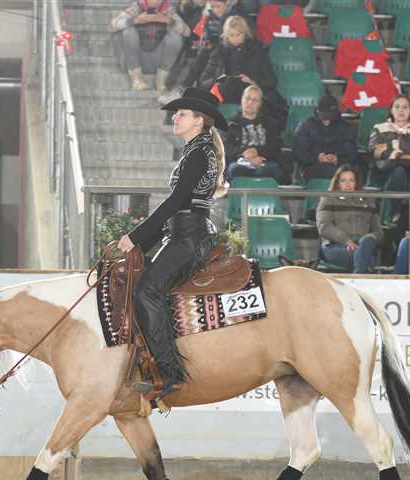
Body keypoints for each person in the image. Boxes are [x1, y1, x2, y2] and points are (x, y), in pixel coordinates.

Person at [117, 88, 227, 398]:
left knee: (147, 291)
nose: (175, 117)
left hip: (190, 236)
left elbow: (176, 201)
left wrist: (136, 237)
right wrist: (141, 244)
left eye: (182, 113)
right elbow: (177, 207)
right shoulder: (197, 150)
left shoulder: (199, 152)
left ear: (199, 120)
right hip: (183, 233)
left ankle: (169, 373)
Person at [160, 0, 245, 103]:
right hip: (214, 48)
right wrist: (203, 43)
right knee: (198, 52)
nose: (215, 10)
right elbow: (209, 36)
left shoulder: (234, 16)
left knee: (204, 55)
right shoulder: (210, 16)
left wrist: (211, 44)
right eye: (213, 7)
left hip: (229, 50)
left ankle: (184, 88)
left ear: (226, 3)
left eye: (218, 6)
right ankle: (180, 88)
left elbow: (232, 37)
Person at [368, 95, 410, 216]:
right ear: (391, 110)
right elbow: (376, 152)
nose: (401, 111)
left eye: (405, 107)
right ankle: (396, 214)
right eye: (397, 107)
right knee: (398, 172)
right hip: (385, 168)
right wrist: (399, 153)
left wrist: (392, 150)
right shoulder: (379, 128)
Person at [111, 0, 191, 93]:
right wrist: (136, 20)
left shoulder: (168, 10)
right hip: (136, 60)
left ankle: (161, 80)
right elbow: (113, 25)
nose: (154, 2)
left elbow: (187, 32)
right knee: (128, 32)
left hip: (158, 61)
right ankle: (137, 79)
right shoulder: (136, 8)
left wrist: (167, 20)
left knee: (175, 36)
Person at [197, 15, 277, 107]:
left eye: (238, 35)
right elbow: (203, 82)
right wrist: (219, 80)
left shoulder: (257, 52)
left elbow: (271, 81)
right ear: (226, 35)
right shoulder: (219, 52)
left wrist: (253, 82)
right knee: (227, 84)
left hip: (248, 91)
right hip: (224, 92)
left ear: (245, 34)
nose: (235, 38)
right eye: (231, 35)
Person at [316, 166, 381, 273]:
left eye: (351, 180)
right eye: (343, 180)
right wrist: (346, 240)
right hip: (335, 246)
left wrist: (370, 238)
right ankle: (359, 277)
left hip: (362, 245)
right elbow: (324, 227)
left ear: (356, 183)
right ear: (337, 183)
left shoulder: (369, 201)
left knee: (366, 243)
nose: (347, 184)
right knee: (367, 259)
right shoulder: (328, 199)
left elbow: (378, 232)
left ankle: (356, 278)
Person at [223, 84, 287, 182]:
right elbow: (226, 148)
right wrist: (244, 154)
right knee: (234, 170)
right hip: (239, 162)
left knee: (271, 170)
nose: (250, 102)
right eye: (247, 98)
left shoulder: (271, 124)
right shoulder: (230, 124)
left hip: (266, 162)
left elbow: (275, 147)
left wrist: (257, 151)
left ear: (260, 104)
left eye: (255, 100)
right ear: (242, 99)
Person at [292, 93, 358, 182]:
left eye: (330, 117)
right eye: (323, 117)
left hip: (339, 167)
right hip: (312, 166)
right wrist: (316, 158)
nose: (326, 121)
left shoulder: (345, 127)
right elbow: (299, 152)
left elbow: (352, 153)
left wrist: (337, 159)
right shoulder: (307, 126)